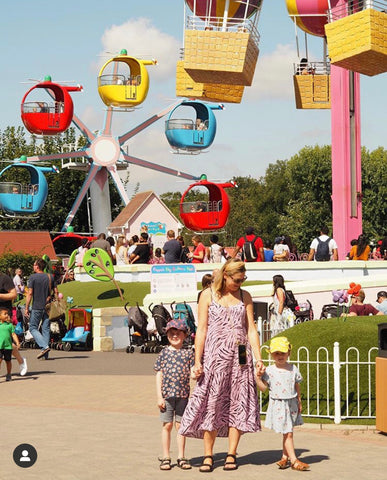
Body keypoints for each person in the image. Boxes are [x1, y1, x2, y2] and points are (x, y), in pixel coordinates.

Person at [179, 259, 264, 472]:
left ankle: (231, 453)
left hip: (241, 358)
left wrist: (258, 357)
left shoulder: (245, 296)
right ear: (225, 275)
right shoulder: (207, 295)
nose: (239, 283)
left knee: (238, 404)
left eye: (242, 279)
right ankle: (208, 455)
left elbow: (251, 329)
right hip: (215, 358)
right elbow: (201, 330)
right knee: (212, 404)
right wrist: (197, 360)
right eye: (236, 280)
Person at [256, 336, 309, 471]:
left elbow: (296, 384)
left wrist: (299, 400)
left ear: (288, 353)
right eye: (276, 353)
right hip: (279, 405)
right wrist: (257, 377)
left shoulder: (293, 369)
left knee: (287, 433)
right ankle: (294, 460)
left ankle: (284, 457)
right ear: (272, 354)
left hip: (291, 404)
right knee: (288, 433)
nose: (280, 356)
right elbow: (263, 388)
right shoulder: (270, 371)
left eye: (283, 353)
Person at [154, 319, 195, 471]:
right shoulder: (164, 352)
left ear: (185, 335)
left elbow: (192, 373)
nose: (175, 336)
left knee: (181, 426)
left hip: (183, 395)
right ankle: (166, 456)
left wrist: (196, 374)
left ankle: (181, 456)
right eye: (171, 333)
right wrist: (159, 396)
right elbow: (159, 374)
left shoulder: (188, 353)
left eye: (178, 333)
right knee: (167, 425)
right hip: (167, 396)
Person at [25, 258, 58, 359]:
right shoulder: (50, 277)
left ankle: (44, 347)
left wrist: (26, 307)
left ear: (38, 266)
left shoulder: (33, 277)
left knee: (33, 327)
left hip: (37, 306)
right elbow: (56, 291)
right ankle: (45, 354)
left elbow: (30, 293)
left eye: (34, 265)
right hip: (48, 306)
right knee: (45, 328)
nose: (33, 266)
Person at [0, 306, 21, 381]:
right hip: (0, 346)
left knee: (8, 361)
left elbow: (13, 334)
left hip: (8, 347)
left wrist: (17, 342)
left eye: (7, 314)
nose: (7, 315)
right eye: (4, 314)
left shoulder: (9, 325)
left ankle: (9, 374)